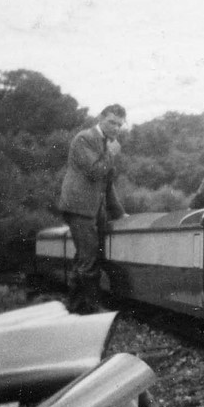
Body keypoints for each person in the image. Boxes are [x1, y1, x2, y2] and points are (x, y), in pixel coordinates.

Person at [57, 104, 127, 314]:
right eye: (112, 122)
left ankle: (76, 307)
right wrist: (112, 153)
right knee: (88, 257)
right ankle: (91, 308)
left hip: (93, 208)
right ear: (101, 118)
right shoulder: (84, 138)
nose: (115, 127)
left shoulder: (106, 144)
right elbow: (96, 172)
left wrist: (120, 213)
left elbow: (107, 183)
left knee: (84, 257)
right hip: (79, 207)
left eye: (119, 124)